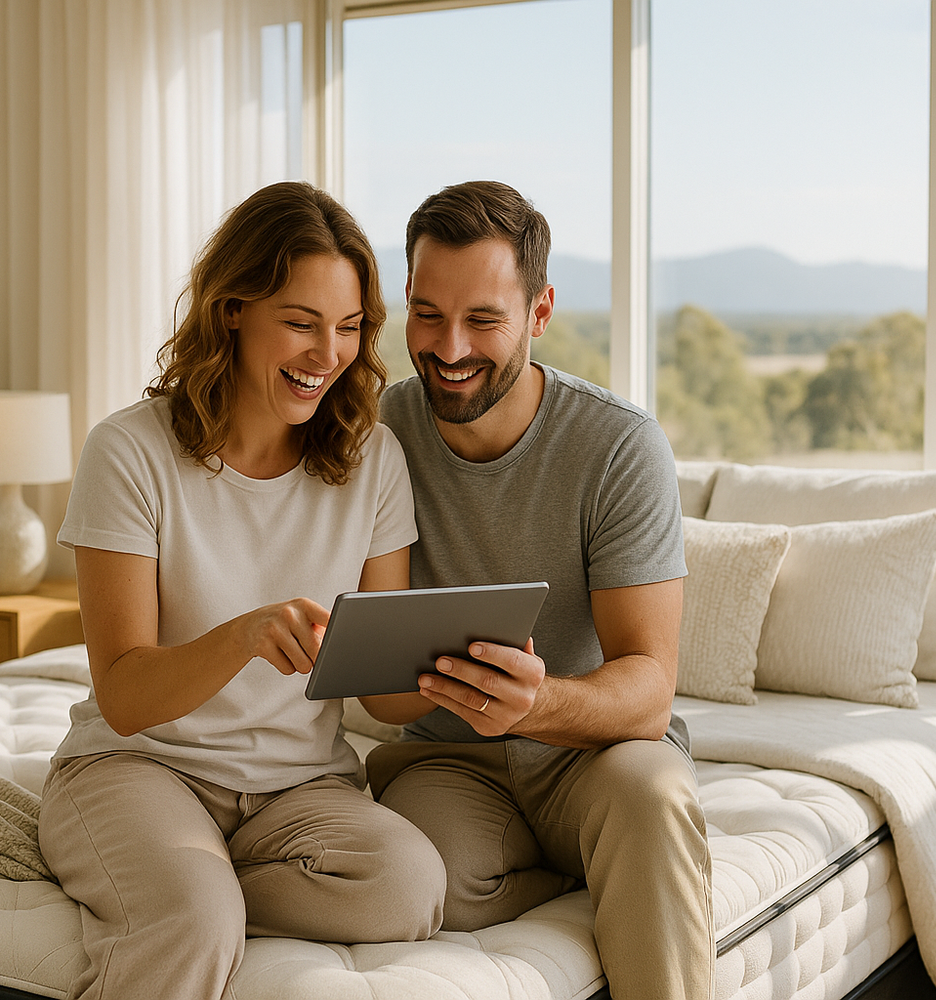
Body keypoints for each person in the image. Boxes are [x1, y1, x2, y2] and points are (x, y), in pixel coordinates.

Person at [38, 181, 447, 1000]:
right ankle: (190, 891)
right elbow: (122, 694)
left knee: (411, 885)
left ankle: (200, 882)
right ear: (232, 311)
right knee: (192, 920)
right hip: (139, 768)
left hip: (300, 786)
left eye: (348, 327)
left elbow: (387, 700)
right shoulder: (129, 453)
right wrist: (240, 637)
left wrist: (461, 671)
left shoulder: (374, 463)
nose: (326, 354)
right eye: (299, 322)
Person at [362, 180, 714, 1000]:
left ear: (540, 311)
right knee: (409, 875)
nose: (449, 347)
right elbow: (379, 688)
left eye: (483, 319)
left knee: (653, 795)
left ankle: (602, 864)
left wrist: (537, 704)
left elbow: (648, 690)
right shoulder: (379, 435)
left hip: (596, 753)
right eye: (425, 313)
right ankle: (571, 879)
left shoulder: (619, 446)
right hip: (451, 760)